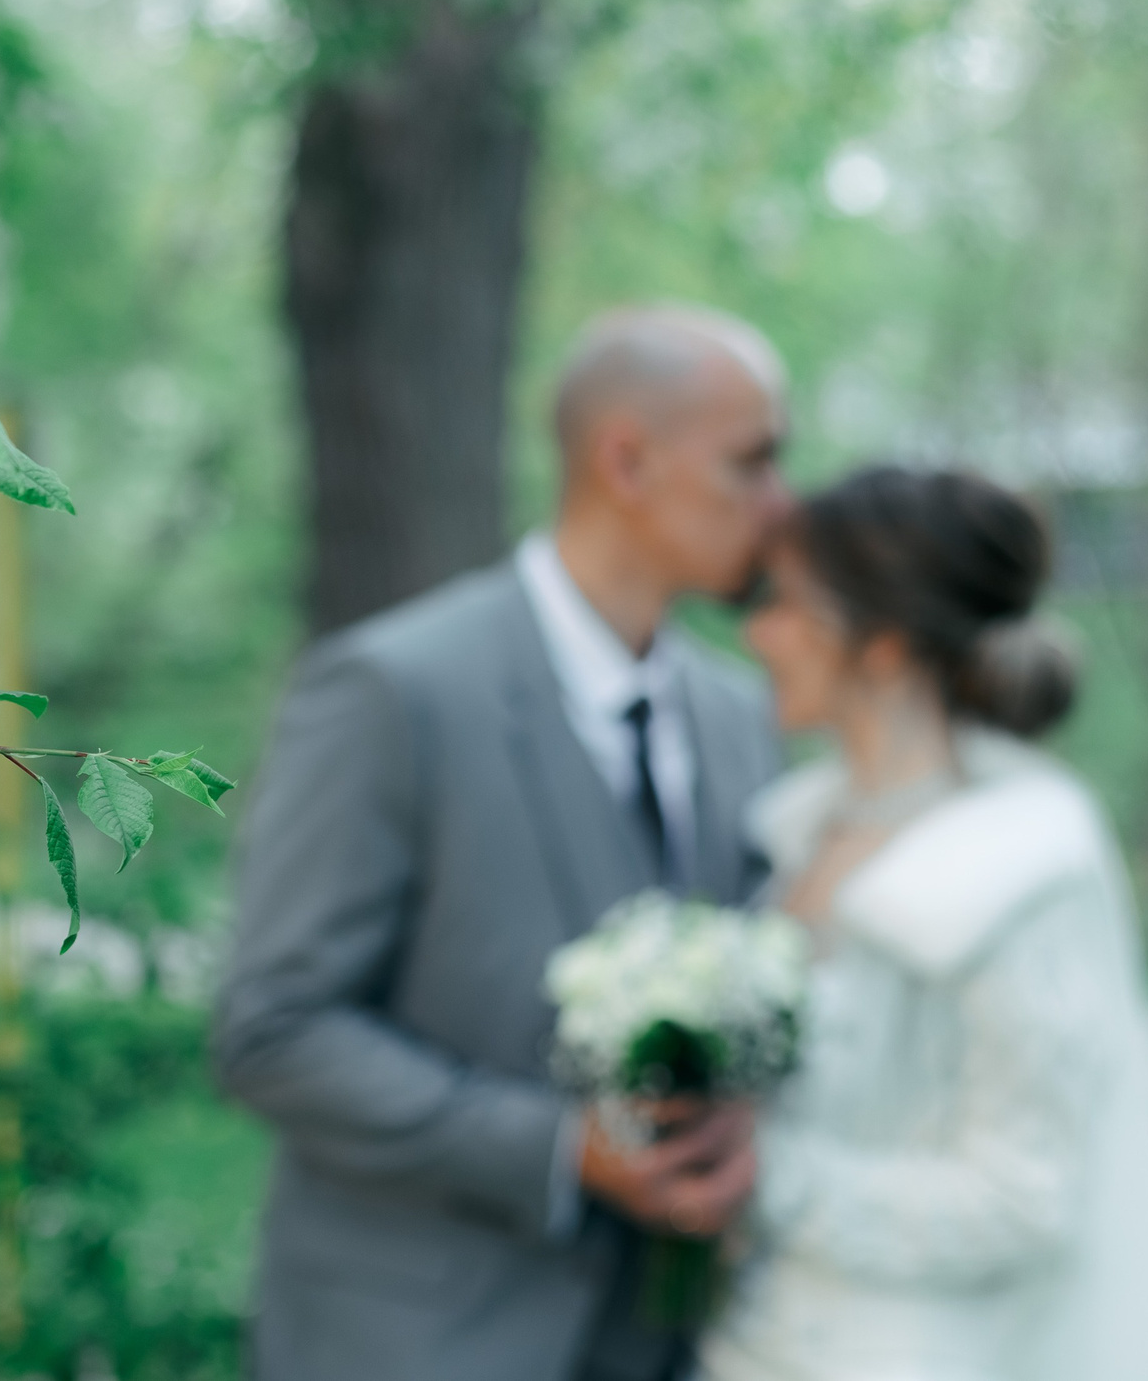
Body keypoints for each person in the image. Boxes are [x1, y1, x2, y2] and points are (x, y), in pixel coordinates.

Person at [213, 305, 792, 1381]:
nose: (779, 503)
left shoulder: (743, 717)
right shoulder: (392, 689)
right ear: (627, 457)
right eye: (751, 463)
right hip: (415, 1341)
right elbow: (274, 1027)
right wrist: (564, 1149)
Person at [706, 466, 1148, 1381]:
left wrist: (768, 1178)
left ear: (881, 645)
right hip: (763, 1335)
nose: (756, 632)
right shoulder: (794, 830)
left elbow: (1021, 1197)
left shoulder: (1013, 871)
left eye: (787, 604)